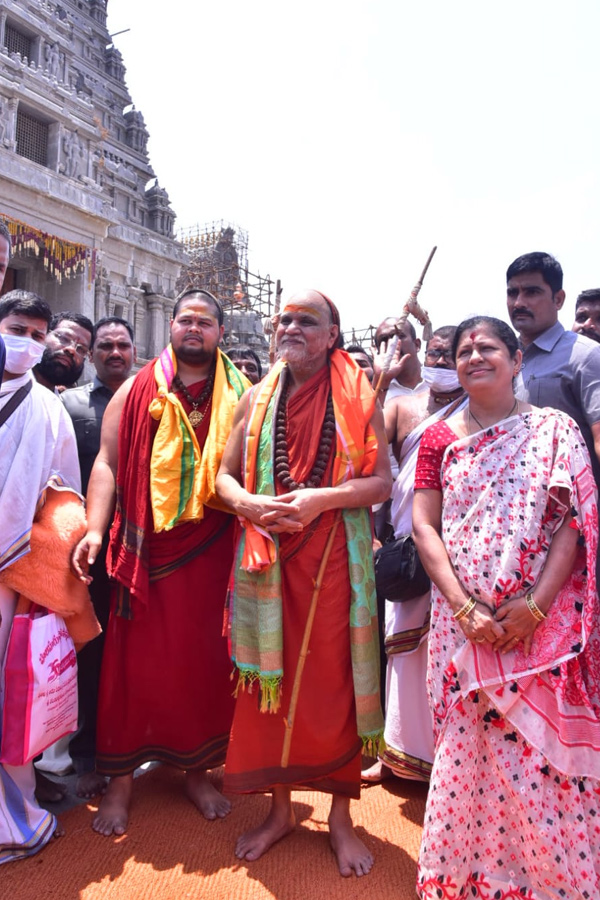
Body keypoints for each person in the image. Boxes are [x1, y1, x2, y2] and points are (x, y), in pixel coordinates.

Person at [412, 316, 600, 899]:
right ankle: (468, 882)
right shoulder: (439, 437)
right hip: (462, 626)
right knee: (470, 749)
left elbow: (572, 520)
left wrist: (536, 608)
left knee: (542, 762)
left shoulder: (553, 429)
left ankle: (551, 884)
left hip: (540, 629)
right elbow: (424, 526)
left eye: (488, 347)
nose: (473, 356)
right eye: (465, 349)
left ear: (517, 361)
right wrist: (466, 610)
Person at [216, 289, 391, 877]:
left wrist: (322, 499)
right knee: (275, 683)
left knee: (335, 682)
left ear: (332, 335)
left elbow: (381, 484)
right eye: (284, 319)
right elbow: (221, 479)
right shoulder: (255, 397)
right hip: (269, 558)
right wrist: (248, 503)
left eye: (306, 321)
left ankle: (340, 818)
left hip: (335, 558)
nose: (290, 327)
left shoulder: (360, 398)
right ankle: (280, 810)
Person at [72, 289, 249, 837]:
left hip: (215, 548)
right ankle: (121, 780)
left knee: (205, 663)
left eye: (205, 322)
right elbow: (106, 462)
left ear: (220, 333)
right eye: (185, 320)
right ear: (171, 327)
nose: (194, 329)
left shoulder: (244, 394)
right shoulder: (136, 387)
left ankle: (195, 771)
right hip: (145, 549)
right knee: (132, 666)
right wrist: (95, 530)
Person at [363, 326, 466, 785]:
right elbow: (361, 450)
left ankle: (456, 763)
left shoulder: (482, 410)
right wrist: (380, 382)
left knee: (457, 659)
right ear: (424, 353)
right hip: (409, 545)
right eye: (438, 353)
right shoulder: (402, 405)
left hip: (468, 552)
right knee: (405, 653)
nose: (443, 362)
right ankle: (401, 754)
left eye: (453, 354)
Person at [0, 288, 81, 863]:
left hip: (13, 578)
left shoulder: (50, 410)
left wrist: (47, 582)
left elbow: (65, 498)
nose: (24, 342)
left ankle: (14, 820)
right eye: (14, 328)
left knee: (8, 697)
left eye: (35, 334)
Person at [63, 316, 136, 798]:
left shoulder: (155, 403)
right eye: (105, 346)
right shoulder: (68, 406)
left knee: (137, 651)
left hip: (142, 547)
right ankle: (88, 754)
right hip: (85, 548)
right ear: (92, 356)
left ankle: (140, 748)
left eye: (123, 345)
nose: (114, 352)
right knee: (89, 651)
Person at [506, 252, 600, 485]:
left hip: (571, 511)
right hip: (511, 505)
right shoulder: (501, 358)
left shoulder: (584, 355)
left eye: (532, 292)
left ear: (558, 300)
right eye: (512, 293)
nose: (519, 303)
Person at [34, 311, 94, 392]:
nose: (71, 349)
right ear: (44, 334)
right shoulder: (12, 384)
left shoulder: (62, 403)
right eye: (64, 338)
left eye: (81, 349)